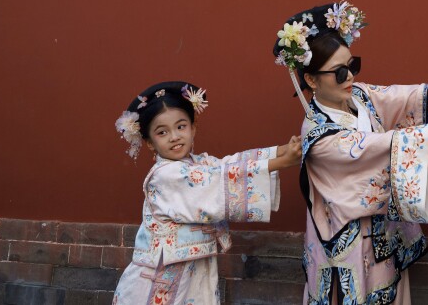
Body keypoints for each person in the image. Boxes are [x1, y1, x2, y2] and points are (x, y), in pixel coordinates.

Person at [272, 0, 428, 305]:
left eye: (352, 66)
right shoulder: (319, 138)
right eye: (339, 73)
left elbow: (407, 98)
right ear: (311, 80)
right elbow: (388, 146)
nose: (350, 77)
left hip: (385, 238)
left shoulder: (360, 96)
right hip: (348, 248)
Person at [110, 80, 301, 305]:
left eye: (181, 126)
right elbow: (215, 181)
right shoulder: (165, 175)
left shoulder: (198, 163)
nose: (174, 136)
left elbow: (230, 164)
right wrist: (280, 163)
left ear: (193, 127)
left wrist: (280, 151)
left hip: (193, 268)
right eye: (162, 132)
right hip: (163, 275)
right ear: (150, 143)